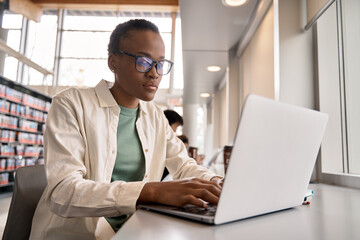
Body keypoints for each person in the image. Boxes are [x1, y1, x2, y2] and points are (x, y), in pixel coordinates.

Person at [29, 19, 222, 240]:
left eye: (160, 64)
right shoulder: (71, 104)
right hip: (75, 234)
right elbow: (63, 192)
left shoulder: (155, 116)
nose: (154, 73)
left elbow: (184, 165)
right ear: (113, 62)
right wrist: (151, 191)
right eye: (143, 61)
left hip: (135, 227)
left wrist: (217, 182)